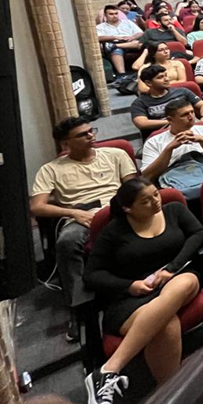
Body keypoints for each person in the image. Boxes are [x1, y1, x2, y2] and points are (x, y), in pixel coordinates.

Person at [82, 178, 203, 404]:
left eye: (156, 195)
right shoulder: (114, 231)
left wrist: (172, 268)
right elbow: (91, 275)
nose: (155, 202)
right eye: (145, 201)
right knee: (166, 322)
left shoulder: (174, 210)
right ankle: (168, 396)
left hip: (175, 277)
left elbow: (198, 233)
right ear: (128, 208)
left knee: (186, 282)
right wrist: (130, 286)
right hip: (132, 298)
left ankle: (109, 369)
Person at [30, 118, 138, 343]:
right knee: (67, 243)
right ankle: (80, 307)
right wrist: (72, 213)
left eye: (91, 131)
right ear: (65, 144)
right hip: (81, 216)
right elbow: (37, 206)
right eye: (83, 134)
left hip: (116, 209)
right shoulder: (50, 169)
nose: (91, 136)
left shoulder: (116, 155)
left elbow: (133, 187)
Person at [141, 100, 203, 197]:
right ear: (170, 119)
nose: (191, 117)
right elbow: (147, 176)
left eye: (192, 112)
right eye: (184, 115)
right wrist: (169, 149)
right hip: (176, 180)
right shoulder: (153, 142)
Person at [131, 66, 203, 137]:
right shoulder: (140, 102)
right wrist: (174, 122)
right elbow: (142, 123)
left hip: (193, 128)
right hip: (164, 135)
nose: (167, 79)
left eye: (166, 75)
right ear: (149, 83)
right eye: (160, 77)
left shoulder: (182, 91)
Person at [97, 4, 144, 83]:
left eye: (116, 13)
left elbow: (140, 33)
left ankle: (113, 46)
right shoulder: (100, 27)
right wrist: (115, 37)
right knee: (117, 51)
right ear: (105, 15)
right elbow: (98, 37)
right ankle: (122, 75)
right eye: (111, 14)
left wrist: (132, 37)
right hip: (114, 42)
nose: (114, 16)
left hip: (130, 42)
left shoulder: (128, 22)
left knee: (139, 43)